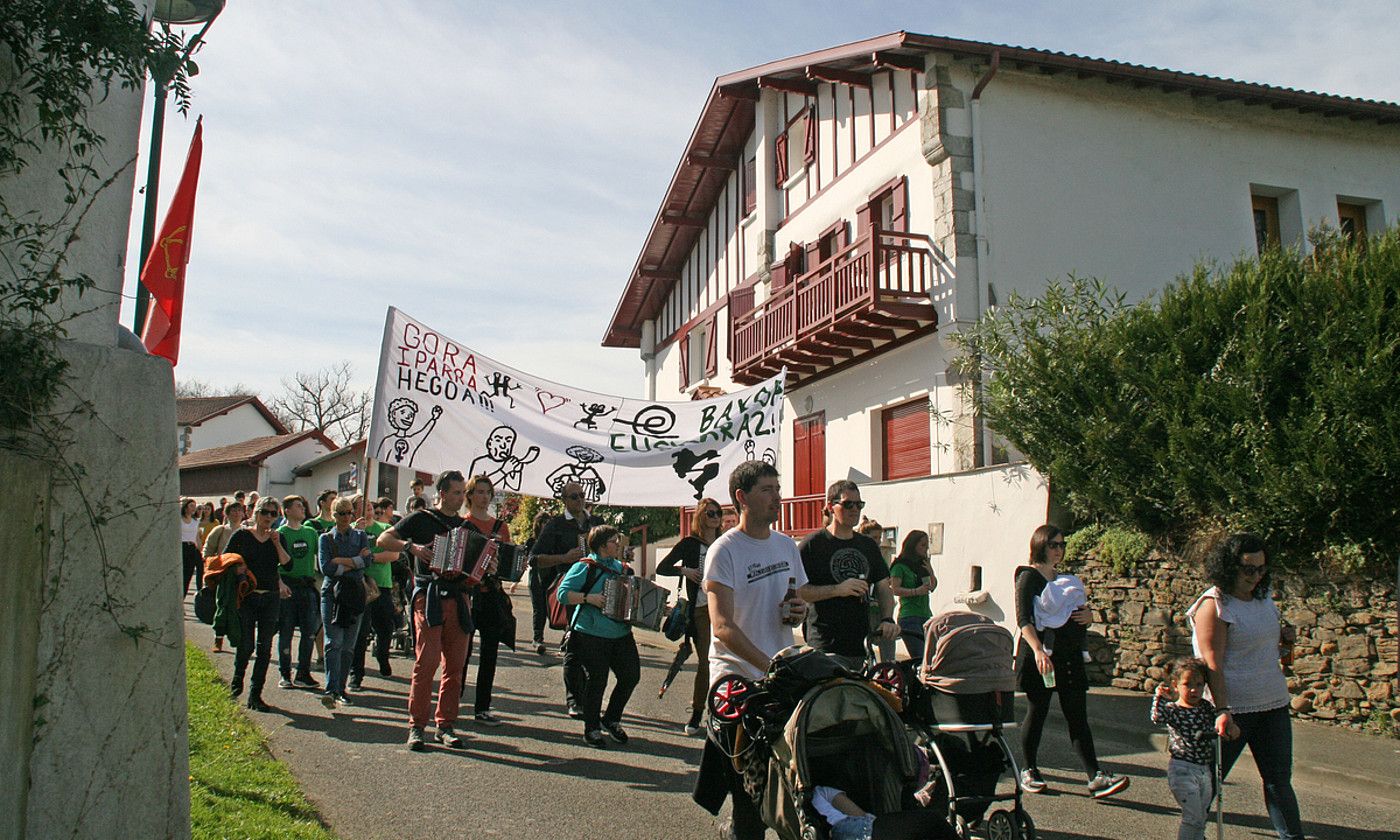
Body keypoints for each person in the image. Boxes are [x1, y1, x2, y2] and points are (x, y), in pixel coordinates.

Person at [693, 460, 811, 840]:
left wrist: (797, 611)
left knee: (789, 782)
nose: (778, 497)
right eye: (767, 490)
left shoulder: (786, 546)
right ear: (742, 498)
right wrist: (770, 666)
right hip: (736, 680)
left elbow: (794, 603)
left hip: (777, 675)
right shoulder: (724, 551)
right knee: (749, 796)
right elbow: (723, 627)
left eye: (777, 488)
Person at [1188, 533, 1303, 840]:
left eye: (1261, 569)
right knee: (1209, 782)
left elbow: (1261, 650)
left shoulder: (1263, 598)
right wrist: (1223, 710)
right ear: (1228, 566)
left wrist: (1283, 643)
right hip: (1233, 709)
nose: (1256, 576)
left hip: (1272, 702)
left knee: (1279, 781)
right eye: (1248, 569)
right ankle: (1190, 833)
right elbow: (1212, 662)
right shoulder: (1214, 605)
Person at [1015, 524, 1129, 799]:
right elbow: (1024, 620)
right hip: (1042, 656)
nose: (1059, 550)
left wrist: (1089, 617)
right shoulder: (1028, 577)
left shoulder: (1065, 580)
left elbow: (1076, 611)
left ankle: (1095, 776)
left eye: (1062, 545)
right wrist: (1039, 651)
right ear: (1040, 545)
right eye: (1054, 544)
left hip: (1068, 656)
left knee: (1077, 716)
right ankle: (1029, 770)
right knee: (1037, 711)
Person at [375, 470, 476, 751]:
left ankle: (445, 725)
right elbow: (383, 540)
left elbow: (480, 564)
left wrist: (487, 566)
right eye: (456, 492)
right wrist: (412, 547)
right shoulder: (421, 518)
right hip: (429, 596)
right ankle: (416, 726)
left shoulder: (467, 528)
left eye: (462, 493)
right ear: (442, 493)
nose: (461, 498)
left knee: (455, 667)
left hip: (459, 599)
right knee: (426, 663)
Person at [798, 481, 897, 670]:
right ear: (830, 507)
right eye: (847, 504)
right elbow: (800, 592)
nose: (854, 509)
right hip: (825, 645)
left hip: (860, 646)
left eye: (859, 504)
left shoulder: (868, 545)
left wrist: (887, 619)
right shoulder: (812, 545)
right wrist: (837, 590)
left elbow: (884, 586)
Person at [555, 525, 640, 747]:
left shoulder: (621, 568)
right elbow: (562, 594)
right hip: (591, 633)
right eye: (614, 541)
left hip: (621, 633)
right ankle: (591, 728)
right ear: (602, 545)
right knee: (597, 681)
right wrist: (588, 598)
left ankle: (611, 718)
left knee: (631, 676)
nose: (618, 545)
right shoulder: (584, 567)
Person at [529, 481, 604, 717]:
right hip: (571, 590)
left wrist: (623, 552)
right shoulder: (556, 525)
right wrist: (564, 557)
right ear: (564, 500)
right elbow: (534, 558)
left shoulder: (596, 523)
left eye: (582, 495)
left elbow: (612, 548)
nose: (579, 500)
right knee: (575, 642)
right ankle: (574, 699)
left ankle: (589, 697)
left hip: (599, 589)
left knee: (595, 645)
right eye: (573, 497)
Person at [656, 497, 723, 735]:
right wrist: (684, 570)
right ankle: (697, 712)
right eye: (710, 513)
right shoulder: (689, 544)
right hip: (701, 610)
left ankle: (722, 711)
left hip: (725, 607)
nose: (715, 518)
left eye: (717, 514)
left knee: (729, 661)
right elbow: (661, 568)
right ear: (700, 517)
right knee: (706, 661)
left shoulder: (725, 542)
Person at [226, 498, 292, 712]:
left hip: (270, 596)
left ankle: (255, 694)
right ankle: (237, 682)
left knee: (265, 647)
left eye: (274, 514)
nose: (269, 517)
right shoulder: (242, 535)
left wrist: (276, 543)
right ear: (255, 513)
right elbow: (226, 558)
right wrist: (240, 568)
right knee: (246, 644)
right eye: (265, 512)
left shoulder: (278, 537)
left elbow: (287, 564)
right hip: (248, 596)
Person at [460, 474, 512, 725]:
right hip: (468, 595)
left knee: (490, 654)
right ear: (469, 495)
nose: (483, 496)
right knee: (461, 653)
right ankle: (454, 701)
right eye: (478, 492)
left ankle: (482, 707)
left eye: (487, 492)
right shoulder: (461, 523)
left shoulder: (501, 527)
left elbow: (508, 566)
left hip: (491, 595)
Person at [1152, 657, 1218, 840]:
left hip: (1204, 769)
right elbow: (1157, 717)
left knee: (1201, 816)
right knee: (1193, 817)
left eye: (1199, 684)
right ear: (1176, 685)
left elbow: (1218, 723)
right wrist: (1159, 696)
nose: (1194, 690)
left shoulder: (1205, 707)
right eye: (1187, 684)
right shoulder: (1173, 709)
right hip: (1183, 768)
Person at [318, 496, 373, 707]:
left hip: (355, 593)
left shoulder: (360, 536)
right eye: (341, 513)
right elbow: (327, 568)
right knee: (334, 642)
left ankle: (341, 688)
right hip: (333, 593)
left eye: (349, 513)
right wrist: (354, 562)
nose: (346, 517)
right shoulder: (326, 539)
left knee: (349, 645)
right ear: (334, 515)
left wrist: (342, 561)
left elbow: (367, 561)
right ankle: (331, 688)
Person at [351, 497, 400, 686]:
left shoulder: (383, 528)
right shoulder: (353, 531)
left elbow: (393, 554)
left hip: (381, 585)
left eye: (369, 505)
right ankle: (356, 673)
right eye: (362, 506)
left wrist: (371, 557)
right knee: (361, 632)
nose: (368, 507)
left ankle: (382, 654)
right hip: (360, 586)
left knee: (385, 627)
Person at [276, 495, 323, 690]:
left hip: (307, 587)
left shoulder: (311, 533)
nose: (303, 508)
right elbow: (274, 565)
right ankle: (285, 674)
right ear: (287, 510)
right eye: (298, 506)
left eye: (303, 505)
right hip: (288, 586)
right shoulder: (280, 533)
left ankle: (303, 673)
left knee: (309, 632)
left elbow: (319, 560)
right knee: (286, 631)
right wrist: (279, 584)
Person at [202, 500, 245, 652]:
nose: (236, 513)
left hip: (242, 576)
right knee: (222, 606)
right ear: (227, 513)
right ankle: (218, 638)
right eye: (233, 510)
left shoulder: (247, 531)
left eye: (239, 510)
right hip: (224, 574)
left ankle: (239, 639)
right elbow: (207, 552)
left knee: (240, 608)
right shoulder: (220, 530)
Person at [888, 530, 936, 662]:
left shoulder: (922, 564)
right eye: (922, 545)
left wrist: (931, 571)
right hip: (909, 616)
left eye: (927, 546)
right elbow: (895, 589)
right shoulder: (900, 566)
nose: (925, 549)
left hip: (925, 615)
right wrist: (915, 591)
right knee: (919, 656)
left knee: (930, 657)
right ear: (913, 545)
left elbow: (932, 587)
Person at [524, 510, 553, 655]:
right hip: (536, 577)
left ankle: (565, 639)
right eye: (544, 523)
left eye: (548, 523)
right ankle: (538, 639)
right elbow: (527, 559)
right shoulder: (532, 541)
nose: (546, 525)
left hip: (551, 578)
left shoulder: (554, 540)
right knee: (539, 609)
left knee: (553, 609)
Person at [180, 498, 203, 595]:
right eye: (191, 506)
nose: (194, 508)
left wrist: (200, 547)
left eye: (195, 506)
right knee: (183, 575)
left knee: (198, 567)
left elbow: (196, 536)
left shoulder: (195, 521)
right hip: (182, 547)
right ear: (185, 507)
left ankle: (199, 589)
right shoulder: (180, 520)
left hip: (192, 547)